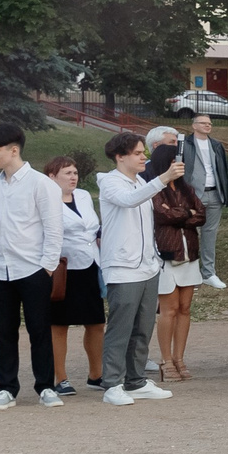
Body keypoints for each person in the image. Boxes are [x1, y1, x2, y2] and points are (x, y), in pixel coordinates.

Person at [0, 122, 65, 409]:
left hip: (32, 269)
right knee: (3, 332)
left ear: (13, 150)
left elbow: (54, 229)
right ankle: (6, 388)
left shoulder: (41, 184)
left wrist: (47, 267)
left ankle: (45, 386)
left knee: (39, 330)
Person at [94, 130, 178, 407]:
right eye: (138, 153)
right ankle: (112, 384)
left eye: (144, 152)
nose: (144, 157)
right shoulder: (110, 182)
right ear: (120, 157)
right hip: (122, 267)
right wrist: (163, 178)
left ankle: (136, 381)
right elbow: (129, 200)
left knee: (143, 327)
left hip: (147, 266)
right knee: (121, 329)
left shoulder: (140, 181)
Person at [145, 128, 207, 383]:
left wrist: (181, 213)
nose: (179, 165)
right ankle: (166, 360)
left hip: (189, 254)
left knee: (185, 309)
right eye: (174, 161)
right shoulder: (154, 188)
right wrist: (186, 213)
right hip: (167, 254)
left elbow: (201, 215)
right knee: (168, 310)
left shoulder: (187, 188)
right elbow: (162, 215)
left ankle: (180, 359)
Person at [44, 155, 106, 396]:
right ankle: (60, 378)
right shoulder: (45, 200)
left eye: (75, 173)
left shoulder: (83, 196)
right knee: (60, 324)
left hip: (90, 265)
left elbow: (92, 226)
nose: (73, 177)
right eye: (67, 173)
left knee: (96, 322)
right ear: (52, 177)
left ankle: (96, 375)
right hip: (62, 269)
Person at [179, 112, 228, 288]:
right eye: (203, 123)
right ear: (194, 125)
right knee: (188, 232)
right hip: (193, 194)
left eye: (209, 123)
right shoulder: (185, 144)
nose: (207, 125)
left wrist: (225, 193)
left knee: (210, 233)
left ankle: (208, 273)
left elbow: (223, 171)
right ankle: (188, 272)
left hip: (214, 194)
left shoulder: (216, 145)